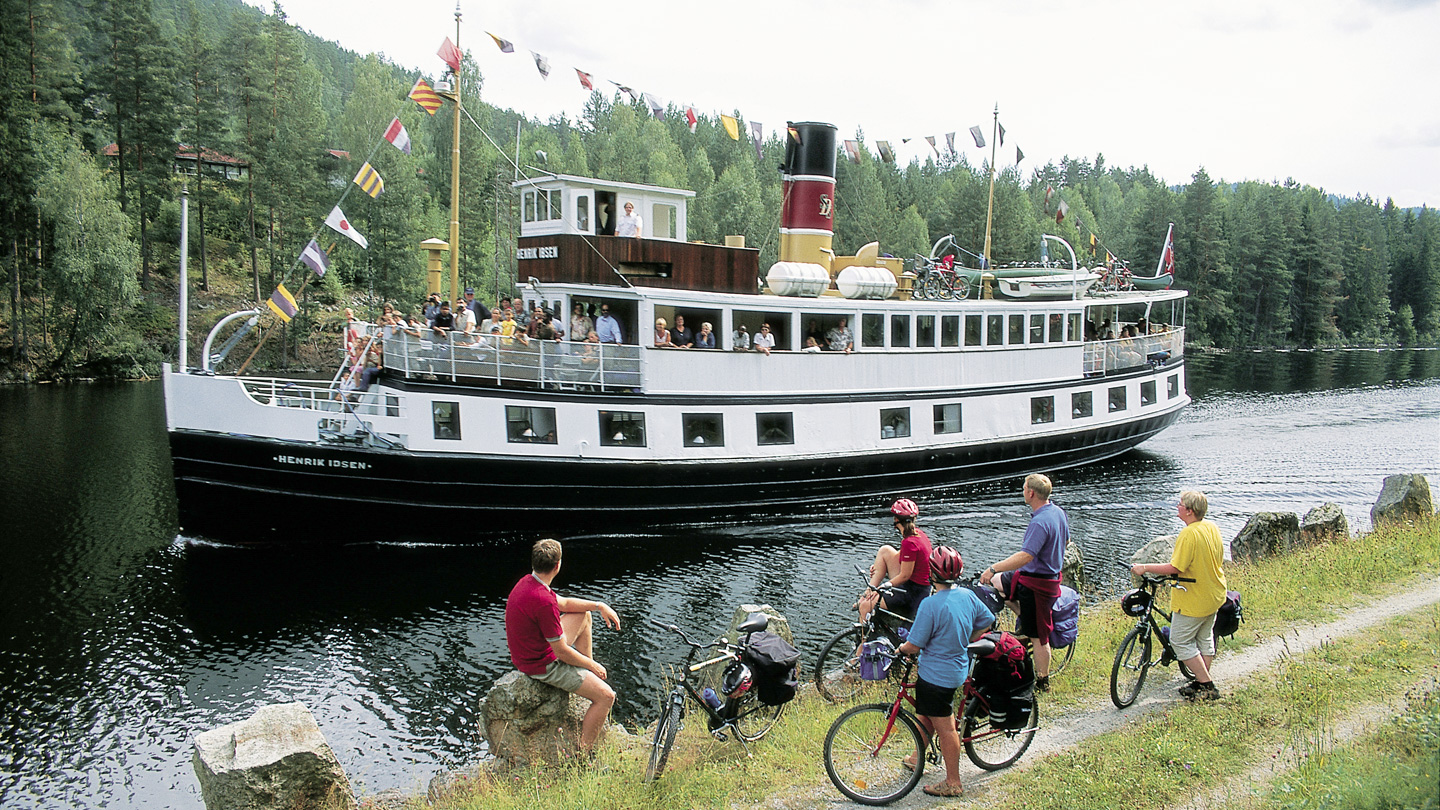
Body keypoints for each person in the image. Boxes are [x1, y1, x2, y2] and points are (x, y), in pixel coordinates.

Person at [504, 539, 620, 754]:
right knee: (606, 696)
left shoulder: (528, 583)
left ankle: (584, 676)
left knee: (583, 615)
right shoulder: (543, 601)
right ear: (558, 566)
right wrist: (593, 665)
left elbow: (565, 604)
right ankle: (584, 754)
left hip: (529, 653)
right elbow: (561, 652)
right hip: (542, 665)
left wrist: (598, 606)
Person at [897, 546, 994, 798]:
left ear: (931, 574)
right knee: (928, 714)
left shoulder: (930, 604)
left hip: (935, 676)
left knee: (947, 728)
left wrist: (900, 648)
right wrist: (966, 639)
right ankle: (916, 758)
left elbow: (914, 645)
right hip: (956, 669)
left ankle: (953, 782)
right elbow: (987, 620)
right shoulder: (968, 596)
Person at [1132, 491, 1227, 701]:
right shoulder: (1212, 527)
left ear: (1189, 511)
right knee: (1204, 636)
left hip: (1195, 598)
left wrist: (1144, 567)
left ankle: (1206, 684)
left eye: (1180, 504)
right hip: (1214, 592)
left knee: (1179, 641)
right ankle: (1200, 681)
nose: (1177, 506)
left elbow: (1176, 566)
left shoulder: (1189, 534)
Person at [980, 473, 1069, 690]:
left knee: (1040, 637)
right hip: (1035, 577)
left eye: (1023, 488)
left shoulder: (1040, 522)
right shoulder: (1057, 512)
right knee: (996, 584)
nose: (1022, 491)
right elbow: (1065, 541)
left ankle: (1042, 681)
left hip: (1037, 584)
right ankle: (1025, 620)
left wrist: (993, 568)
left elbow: (1025, 556)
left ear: (1031, 493)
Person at [857, 499, 933, 623]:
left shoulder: (909, 543)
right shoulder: (917, 534)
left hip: (913, 593)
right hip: (919, 585)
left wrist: (882, 588)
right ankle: (868, 593)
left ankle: (862, 641)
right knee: (885, 550)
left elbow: (904, 576)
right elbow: (899, 556)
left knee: (865, 607)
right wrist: (879, 567)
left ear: (896, 520)